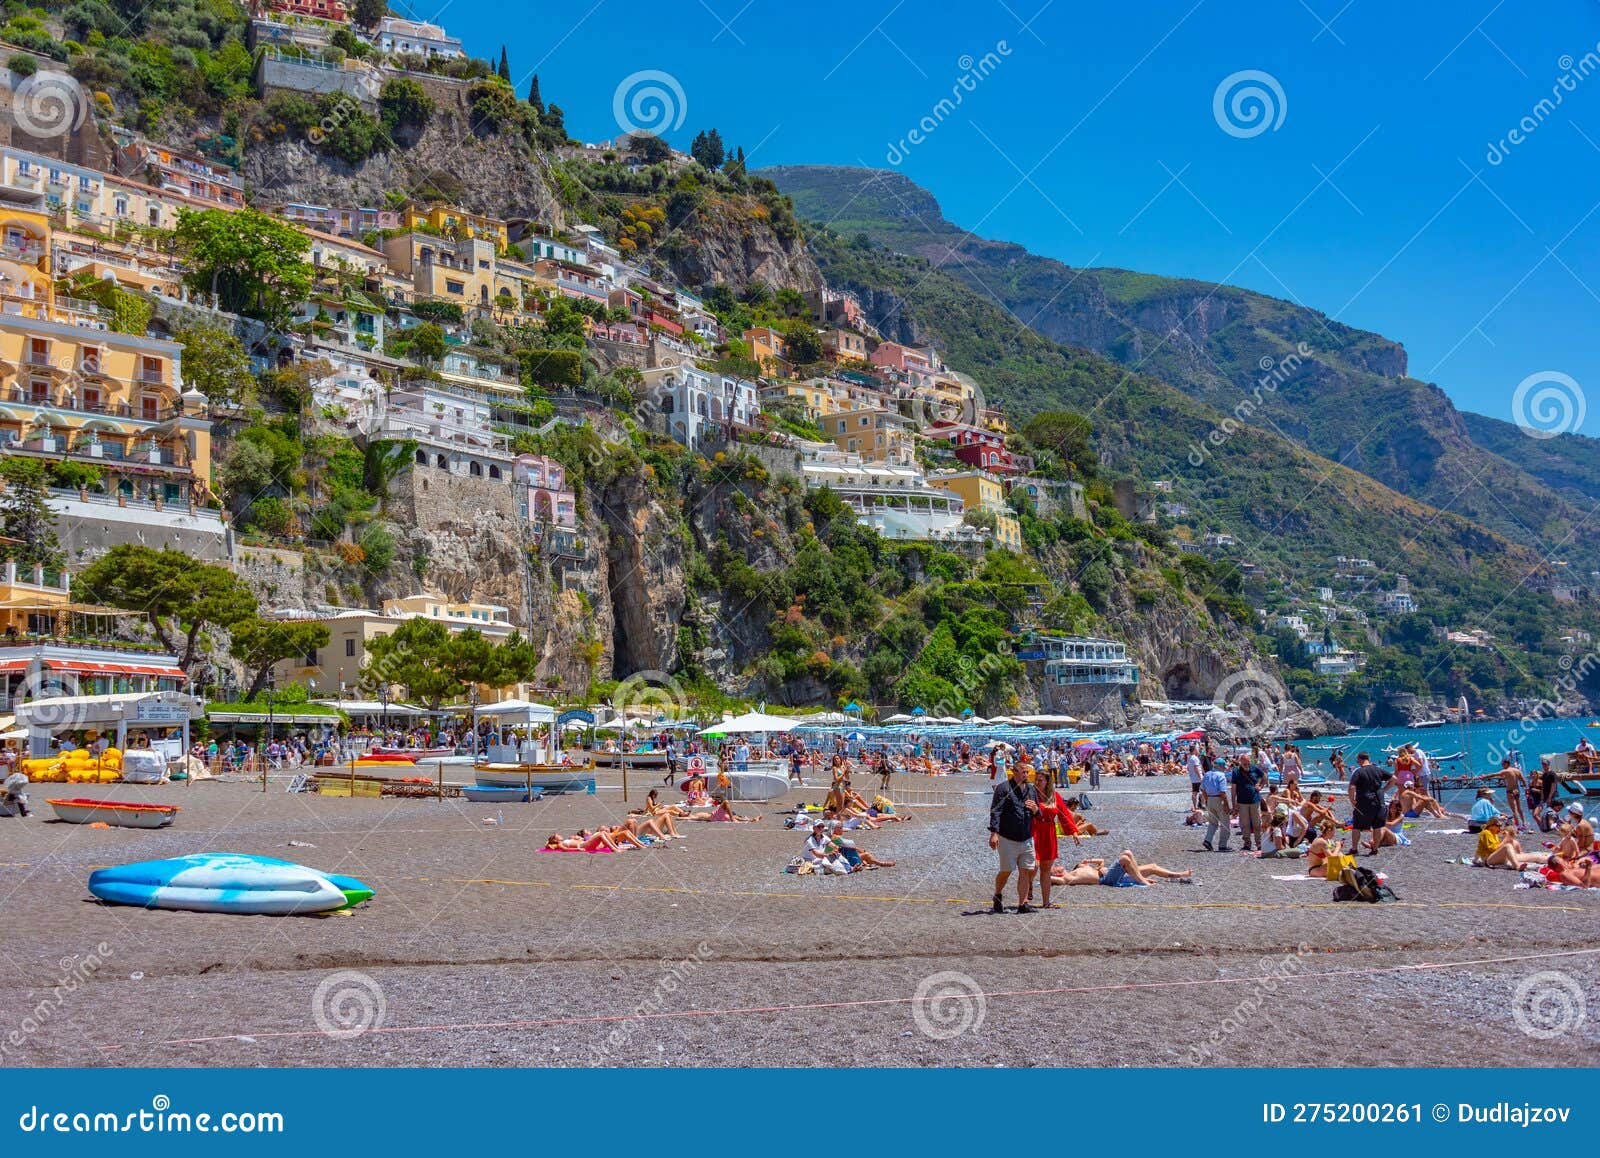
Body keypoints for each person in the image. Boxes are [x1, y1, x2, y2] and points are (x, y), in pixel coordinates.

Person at [988, 756, 1039, 914]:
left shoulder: (1031, 789)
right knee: (1006, 871)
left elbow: (1039, 813)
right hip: (1007, 837)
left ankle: (1022, 904)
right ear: (1014, 772)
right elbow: (996, 811)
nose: (1026, 775)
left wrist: (1036, 810)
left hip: (1027, 837)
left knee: (1025, 870)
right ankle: (997, 894)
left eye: (1027, 772)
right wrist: (994, 834)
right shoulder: (1003, 788)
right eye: (1023, 772)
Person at [1030, 769, 1078, 909]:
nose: (1037, 783)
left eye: (1040, 780)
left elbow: (1064, 815)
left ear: (1047, 782)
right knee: (1034, 865)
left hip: (1049, 833)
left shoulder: (1055, 796)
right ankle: (1029, 887)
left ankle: (1046, 902)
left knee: (1046, 869)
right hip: (1034, 831)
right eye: (1036, 780)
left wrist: (1073, 832)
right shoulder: (1031, 795)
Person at [1347, 752, 1392, 856]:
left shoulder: (1359, 772)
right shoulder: (1378, 769)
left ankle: (1354, 849)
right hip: (1379, 801)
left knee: (1357, 826)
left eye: (1357, 760)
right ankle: (1375, 849)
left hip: (1364, 802)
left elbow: (1352, 787)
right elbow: (1394, 779)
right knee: (1377, 827)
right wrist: (1384, 790)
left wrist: (1352, 799)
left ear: (1360, 759)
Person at [1473, 815, 1544, 869]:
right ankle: (1517, 866)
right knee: (1508, 846)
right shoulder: (1486, 833)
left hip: (1496, 856)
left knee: (1533, 856)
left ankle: (1550, 860)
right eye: (1498, 826)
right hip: (1488, 859)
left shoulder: (1493, 833)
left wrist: (1507, 837)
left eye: (1501, 826)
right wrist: (1506, 839)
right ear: (1491, 826)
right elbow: (1494, 849)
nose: (1500, 828)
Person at [1230, 754, 1265, 852]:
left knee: (1257, 823)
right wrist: (1233, 804)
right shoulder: (1236, 772)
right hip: (1242, 802)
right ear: (1241, 762)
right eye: (1245, 763)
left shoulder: (1254, 768)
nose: (1247, 765)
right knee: (1244, 824)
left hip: (1254, 800)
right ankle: (1247, 843)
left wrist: (1260, 786)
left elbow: (1264, 776)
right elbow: (1233, 789)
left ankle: (1259, 843)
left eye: (1248, 763)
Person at [1200, 760, 1232, 852]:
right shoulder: (1221, 775)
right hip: (1219, 799)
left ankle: (1207, 840)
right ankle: (1222, 845)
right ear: (1221, 767)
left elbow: (1203, 789)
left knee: (1212, 822)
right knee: (1225, 823)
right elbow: (1222, 792)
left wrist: (1207, 800)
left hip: (1210, 799)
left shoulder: (1207, 774)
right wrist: (1226, 804)